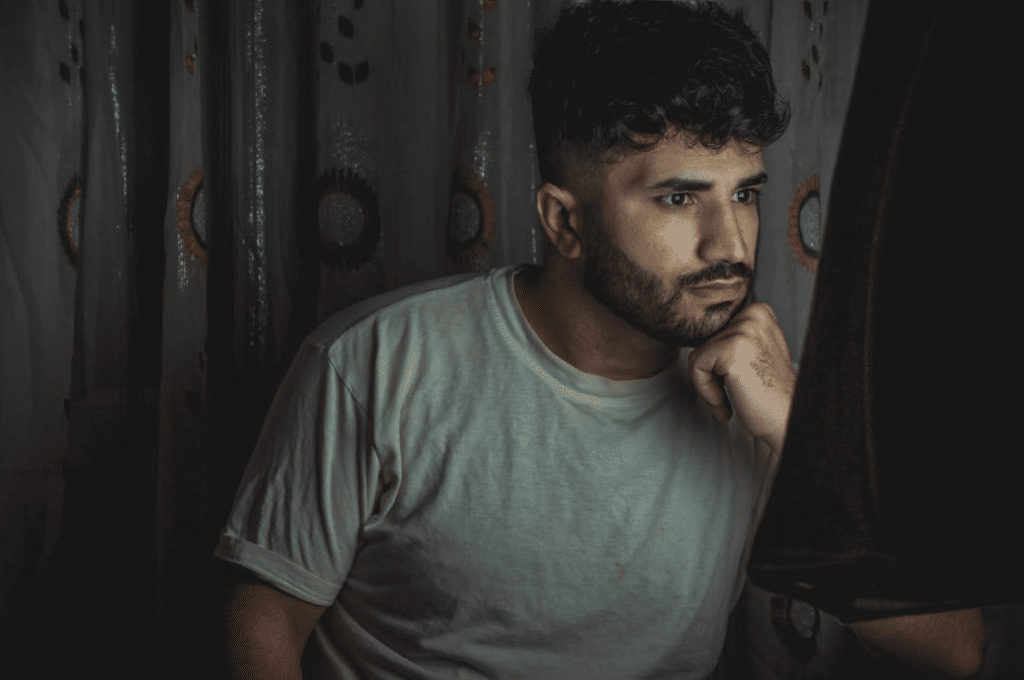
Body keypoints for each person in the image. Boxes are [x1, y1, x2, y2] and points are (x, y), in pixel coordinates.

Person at [216, 2, 981, 678]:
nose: (731, 245)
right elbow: (263, 622)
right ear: (565, 222)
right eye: (679, 197)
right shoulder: (374, 363)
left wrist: (797, 431)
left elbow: (954, 651)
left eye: (744, 194)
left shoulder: (760, 398)